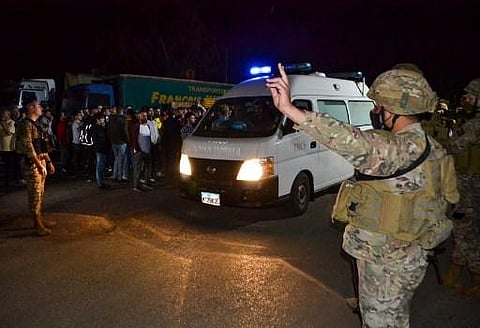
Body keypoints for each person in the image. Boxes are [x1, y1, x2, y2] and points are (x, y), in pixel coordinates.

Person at [266, 63, 459, 327]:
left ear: (392, 111)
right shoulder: (433, 148)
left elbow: (348, 139)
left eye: (379, 107)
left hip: (387, 262)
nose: (375, 111)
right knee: (396, 315)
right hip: (412, 254)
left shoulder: (397, 150)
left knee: (383, 322)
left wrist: (290, 110)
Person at [442, 77, 480, 297]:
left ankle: (474, 274)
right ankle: (458, 270)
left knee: (466, 230)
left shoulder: (476, 125)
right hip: (465, 184)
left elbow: (455, 146)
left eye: (470, 96)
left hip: (470, 186)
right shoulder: (470, 121)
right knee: (463, 228)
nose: (465, 99)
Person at [15, 99, 56, 236]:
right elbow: (29, 147)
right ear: (32, 108)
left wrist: (48, 162)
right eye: (39, 106)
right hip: (31, 163)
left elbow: (40, 146)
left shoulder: (35, 124)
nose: (41, 109)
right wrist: (39, 165)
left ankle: (39, 219)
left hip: (39, 161)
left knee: (40, 193)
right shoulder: (25, 125)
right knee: (35, 194)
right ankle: (37, 224)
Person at [92, 113, 110, 189]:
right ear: (98, 120)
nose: (104, 120)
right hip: (100, 149)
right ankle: (100, 183)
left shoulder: (102, 127)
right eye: (102, 119)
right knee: (100, 166)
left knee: (102, 166)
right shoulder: (97, 128)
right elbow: (99, 139)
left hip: (103, 149)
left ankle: (101, 182)